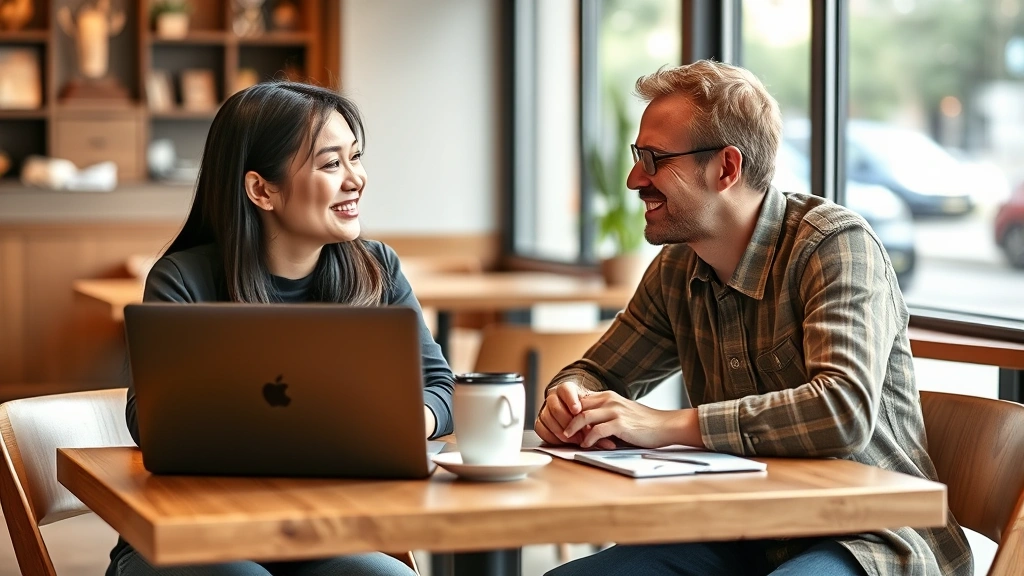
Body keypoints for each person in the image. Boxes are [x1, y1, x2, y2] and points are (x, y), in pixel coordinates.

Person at [537, 61, 973, 576]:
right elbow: (596, 373)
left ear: (726, 168)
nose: (635, 179)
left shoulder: (834, 246)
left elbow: (842, 410)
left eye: (653, 159)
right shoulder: (678, 267)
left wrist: (666, 426)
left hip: (871, 539)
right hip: (739, 533)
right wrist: (568, 401)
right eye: (638, 157)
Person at [108, 81, 453, 576]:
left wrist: (398, 428)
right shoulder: (183, 280)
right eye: (332, 164)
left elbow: (440, 388)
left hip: (320, 536)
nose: (356, 179)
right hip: (189, 533)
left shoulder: (377, 268)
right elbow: (152, 423)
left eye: (356, 157)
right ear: (261, 190)